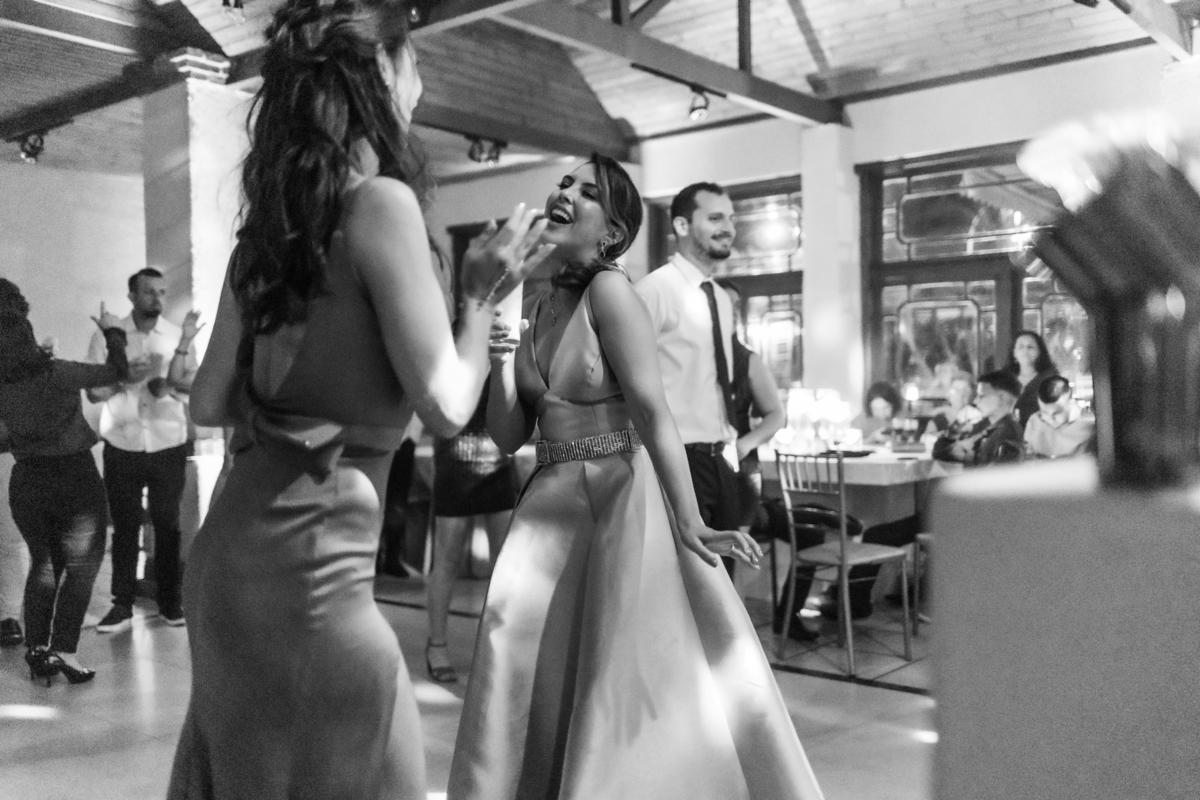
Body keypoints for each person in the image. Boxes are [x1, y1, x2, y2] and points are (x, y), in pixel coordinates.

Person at [165, 0, 551, 795]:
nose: (421, 82)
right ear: (379, 71)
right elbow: (446, 406)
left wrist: (296, 405)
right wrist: (480, 299)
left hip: (231, 558)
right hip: (312, 575)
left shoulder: (266, 233)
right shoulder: (381, 204)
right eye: (413, 60)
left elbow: (206, 402)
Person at [448, 156, 824, 800]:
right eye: (564, 183)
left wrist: (689, 519)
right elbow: (508, 436)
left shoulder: (611, 291)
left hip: (618, 494)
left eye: (587, 192)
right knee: (530, 661)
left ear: (613, 232)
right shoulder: (535, 305)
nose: (566, 192)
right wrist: (501, 345)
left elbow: (652, 410)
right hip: (547, 507)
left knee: (613, 676)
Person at [0, 279, 137, 684]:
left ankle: (36, 650)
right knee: (81, 567)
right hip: (74, 478)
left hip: (27, 482)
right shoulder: (58, 372)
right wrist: (112, 332)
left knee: (43, 565)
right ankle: (64, 650)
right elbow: (117, 371)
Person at [86, 267, 200, 632]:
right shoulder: (107, 335)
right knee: (125, 525)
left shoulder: (177, 336)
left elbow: (194, 385)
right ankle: (121, 605)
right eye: (149, 291)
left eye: (162, 292)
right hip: (123, 442)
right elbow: (93, 391)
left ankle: (170, 602)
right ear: (132, 296)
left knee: (168, 525)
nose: (158, 298)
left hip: (168, 441)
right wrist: (125, 378)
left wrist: (168, 384)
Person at [634, 182, 747, 536]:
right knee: (683, 567)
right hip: (676, 458)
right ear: (682, 226)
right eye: (715, 218)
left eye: (731, 219)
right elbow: (624, 379)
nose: (728, 228)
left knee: (726, 566)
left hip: (722, 458)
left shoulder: (721, 298)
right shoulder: (653, 291)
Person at [425, 377, 517, 684]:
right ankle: (437, 645)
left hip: (499, 460)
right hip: (455, 455)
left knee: (505, 564)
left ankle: (499, 646)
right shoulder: (452, 346)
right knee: (447, 559)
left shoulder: (507, 347)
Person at [932, 370, 1025, 465]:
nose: (976, 401)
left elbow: (997, 472)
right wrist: (959, 423)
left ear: (1001, 398)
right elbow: (940, 452)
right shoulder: (986, 429)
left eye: (981, 396)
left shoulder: (1009, 434)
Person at [1024, 375, 1095, 459]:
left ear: (1071, 403)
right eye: (1044, 412)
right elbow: (1027, 456)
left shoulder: (1088, 426)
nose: (1049, 419)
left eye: (1056, 413)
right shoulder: (1034, 422)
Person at [1004, 329, 1059, 429]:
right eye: (1021, 347)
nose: (1025, 350)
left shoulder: (1049, 380)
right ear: (1014, 353)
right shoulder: (1004, 381)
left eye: (1030, 347)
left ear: (1039, 352)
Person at [922, 372, 982, 438]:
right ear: (949, 394)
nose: (960, 395)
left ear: (972, 394)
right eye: (956, 390)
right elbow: (927, 438)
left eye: (965, 391)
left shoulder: (979, 417)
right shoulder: (939, 419)